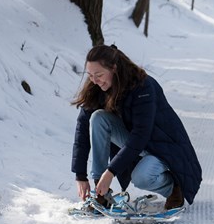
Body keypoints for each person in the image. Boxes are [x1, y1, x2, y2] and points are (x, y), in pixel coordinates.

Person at [71, 44, 202, 210]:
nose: (94, 81)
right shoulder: (97, 87)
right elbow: (82, 129)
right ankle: (101, 193)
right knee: (98, 117)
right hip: (137, 144)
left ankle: (174, 188)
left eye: (99, 75)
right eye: (90, 75)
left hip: (163, 146)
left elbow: (141, 135)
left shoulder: (142, 86)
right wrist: (80, 175)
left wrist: (111, 172)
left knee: (141, 178)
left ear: (114, 68)